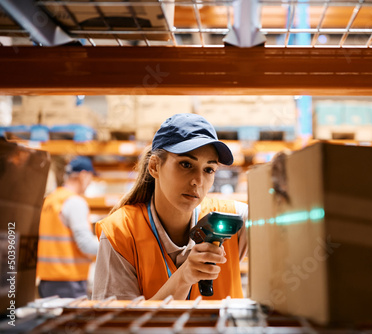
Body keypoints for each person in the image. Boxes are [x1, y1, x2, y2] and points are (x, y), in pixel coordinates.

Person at [92, 113, 248, 301]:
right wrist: (184, 277)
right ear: (154, 167)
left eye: (209, 169)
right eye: (185, 164)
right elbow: (117, 326)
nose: (198, 181)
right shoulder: (120, 233)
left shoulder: (235, 219)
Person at [37, 156, 99, 298]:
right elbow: (85, 244)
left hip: (47, 281)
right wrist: (116, 248)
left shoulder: (51, 200)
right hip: (68, 282)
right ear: (83, 175)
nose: (90, 183)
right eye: (90, 177)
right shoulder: (74, 202)